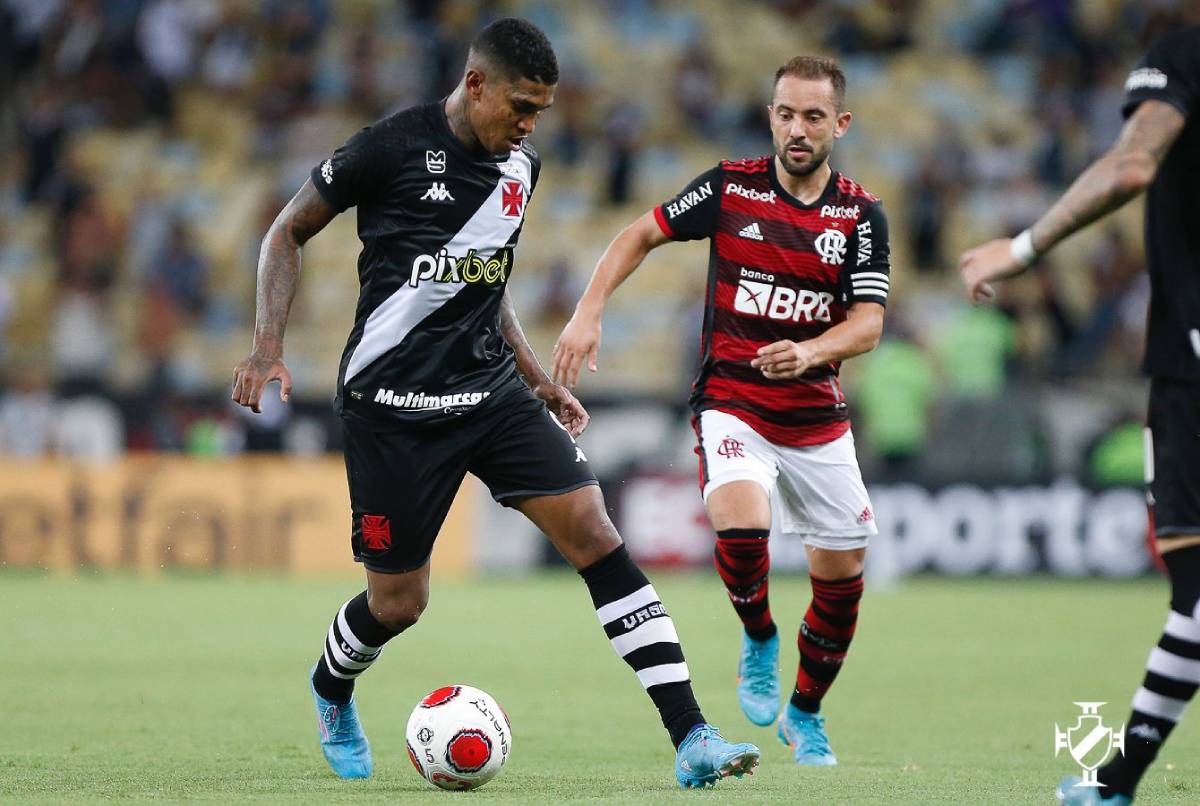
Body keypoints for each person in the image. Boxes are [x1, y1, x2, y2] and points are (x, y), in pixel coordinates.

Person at [230, 18, 759, 790]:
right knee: (400, 601)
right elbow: (286, 233)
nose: (528, 124)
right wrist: (265, 345)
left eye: (540, 110)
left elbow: (486, 274)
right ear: (475, 84)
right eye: (519, 105)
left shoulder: (522, 166)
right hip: (391, 405)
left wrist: (536, 373)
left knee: (593, 530)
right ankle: (331, 687)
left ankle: (693, 736)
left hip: (490, 394)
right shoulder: (387, 147)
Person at [554, 56, 890, 766]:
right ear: (771, 114)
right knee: (743, 527)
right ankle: (760, 636)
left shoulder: (860, 216)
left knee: (842, 578)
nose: (797, 130)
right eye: (785, 113)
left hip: (816, 417)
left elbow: (867, 324)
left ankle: (805, 712)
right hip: (732, 401)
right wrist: (589, 311)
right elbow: (637, 234)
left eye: (813, 117)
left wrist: (809, 352)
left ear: (841, 124)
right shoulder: (730, 187)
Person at [958, 25, 1200, 806]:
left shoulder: (1185, 52)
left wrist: (1022, 247)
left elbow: (1132, 163)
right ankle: (1119, 779)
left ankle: (1118, 781)